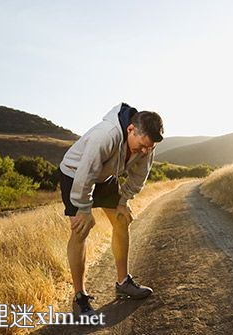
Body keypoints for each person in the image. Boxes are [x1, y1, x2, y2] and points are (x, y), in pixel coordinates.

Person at [58, 102, 164, 318]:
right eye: (142, 145)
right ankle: (80, 298)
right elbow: (86, 172)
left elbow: (139, 176)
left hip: (105, 177)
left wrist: (123, 200)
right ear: (130, 130)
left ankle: (123, 282)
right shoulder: (105, 135)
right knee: (81, 229)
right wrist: (84, 209)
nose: (145, 151)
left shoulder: (148, 143)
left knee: (121, 219)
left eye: (149, 147)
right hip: (75, 174)